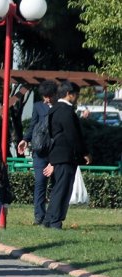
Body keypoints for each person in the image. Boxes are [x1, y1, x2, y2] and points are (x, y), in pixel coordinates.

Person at [42, 82, 91, 229]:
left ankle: (49, 219)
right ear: (70, 93)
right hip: (66, 156)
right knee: (63, 190)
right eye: (76, 94)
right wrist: (85, 152)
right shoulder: (67, 111)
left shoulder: (54, 109)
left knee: (58, 188)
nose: (77, 98)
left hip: (56, 155)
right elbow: (73, 135)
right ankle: (55, 221)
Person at [17, 80, 57, 225]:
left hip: (55, 151)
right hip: (40, 152)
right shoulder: (38, 107)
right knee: (40, 182)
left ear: (54, 95)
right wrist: (25, 139)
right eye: (44, 96)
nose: (46, 99)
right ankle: (39, 215)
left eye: (48, 96)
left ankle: (52, 216)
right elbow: (33, 126)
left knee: (56, 185)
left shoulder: (60, 107)